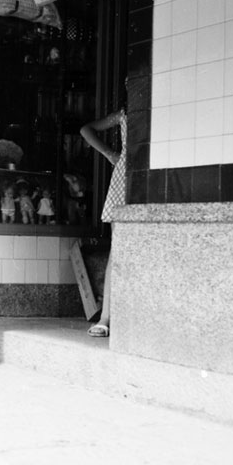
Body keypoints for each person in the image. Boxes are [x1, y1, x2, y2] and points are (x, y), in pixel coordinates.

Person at [80, 106, 127, 337]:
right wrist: (110, 154)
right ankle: (105, 317)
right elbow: (86, 130)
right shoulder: (123, 114)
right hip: (126, 174)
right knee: (117, 249)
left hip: (150, 172)